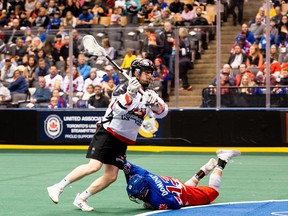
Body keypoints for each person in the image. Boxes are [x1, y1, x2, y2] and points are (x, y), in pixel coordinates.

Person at [47, 58, 169, 211]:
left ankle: (81, 198)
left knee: (111, 176)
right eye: (147, 73)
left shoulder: (149, 94)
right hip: (108, 132)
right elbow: (117, 110)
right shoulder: (122, 89)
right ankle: (58, 187)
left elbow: (163, 113)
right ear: (136, 73)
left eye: (152, 73)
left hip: (122, 140)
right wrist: (130, 95)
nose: (150, 76)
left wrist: (155, 104)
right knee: (94, 166)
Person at [125, 149, 241, 210]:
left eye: (139, 195)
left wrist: (154, 204)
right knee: (184, 188)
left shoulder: (159, 200)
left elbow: (177, 203)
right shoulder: (147, 176)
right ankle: (205, 169)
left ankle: (222, 159)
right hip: (177, 186)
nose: (138, 197)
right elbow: (131, 167)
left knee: (213, 191)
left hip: (183, 194)